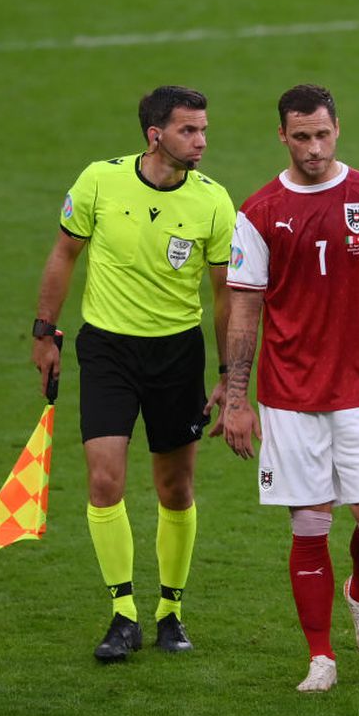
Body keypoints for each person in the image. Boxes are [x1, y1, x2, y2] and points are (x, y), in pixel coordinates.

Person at [221, 84, 359, 693]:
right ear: (282, 136)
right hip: (289, 395)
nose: (314, 148)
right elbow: (244, 310)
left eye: (322, 135)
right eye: (301, 137)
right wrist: (236, 399)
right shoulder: (257, 212)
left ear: (337, 130)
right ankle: (321, 657)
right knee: (309, 524)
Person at [32, 85, 234, 662]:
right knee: (104, 482)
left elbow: (225, 295)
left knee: (176, 488)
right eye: (188, 130)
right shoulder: (99, 181)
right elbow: (64, 253)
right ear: (155, 135)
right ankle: (123, 613)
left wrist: (231, 375)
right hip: (108, 351)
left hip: (176, 355)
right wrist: (44, 333)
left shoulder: (214, 202)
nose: (201, 140)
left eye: (203, 129)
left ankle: (170, 611)